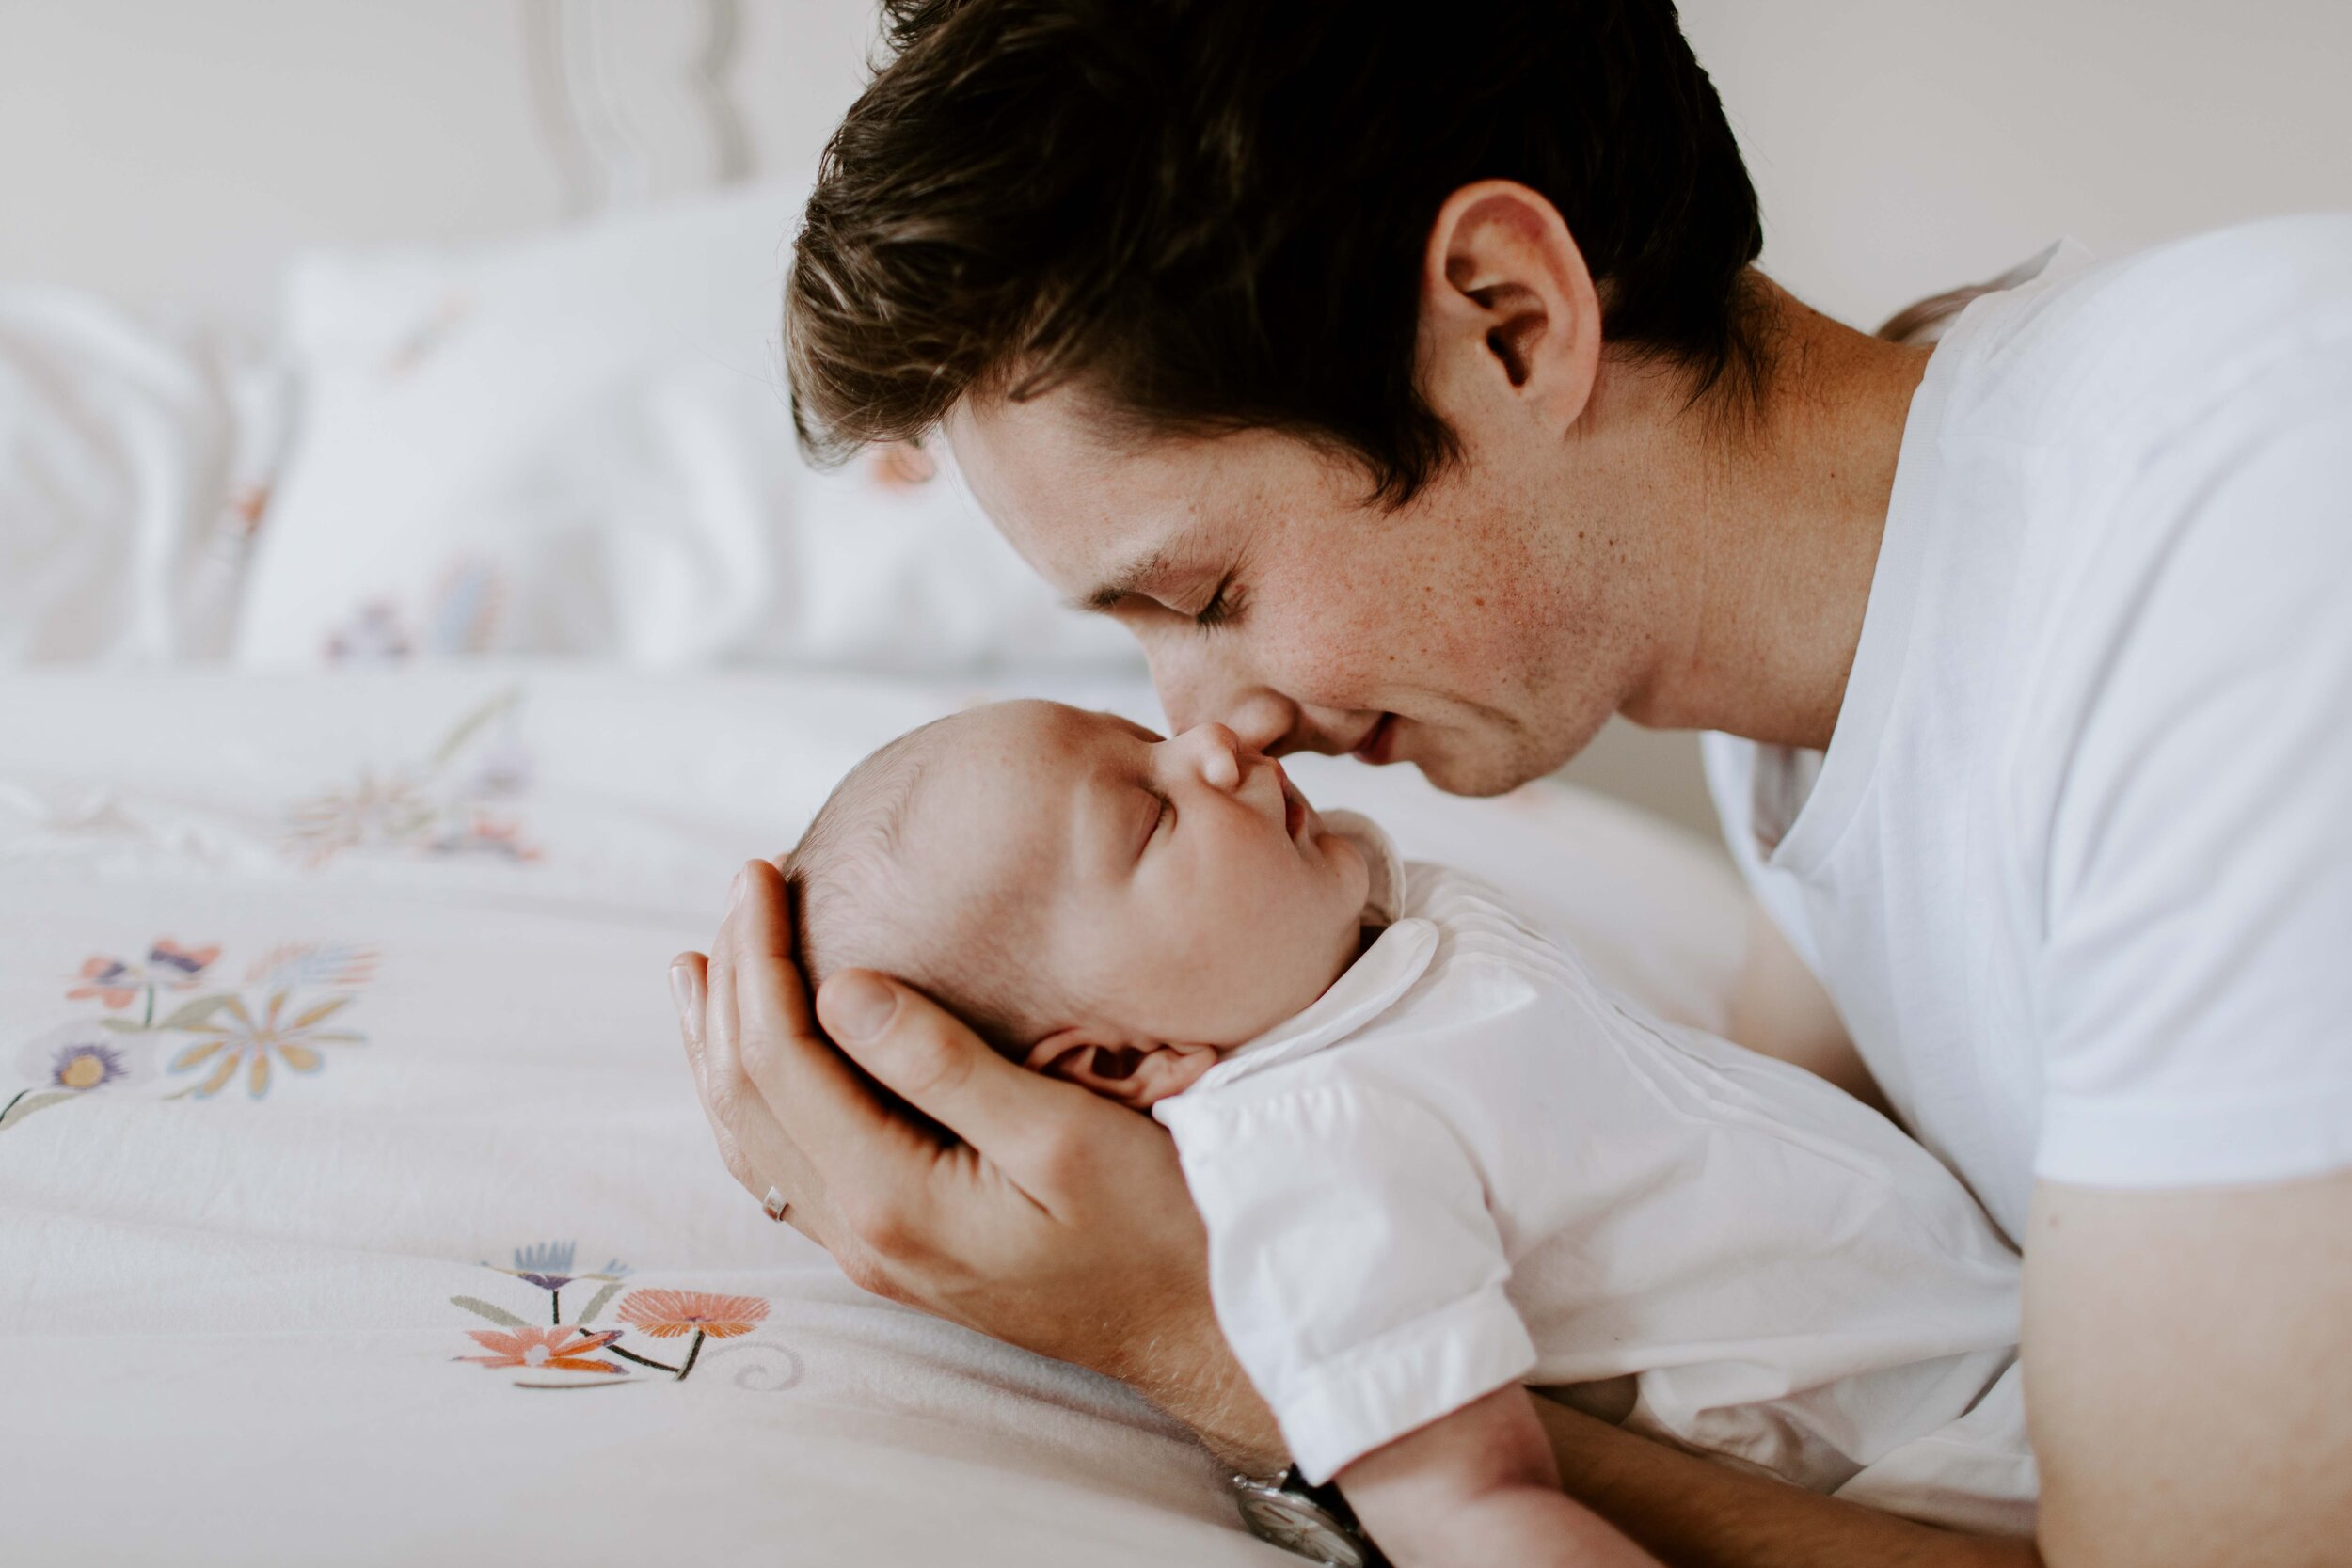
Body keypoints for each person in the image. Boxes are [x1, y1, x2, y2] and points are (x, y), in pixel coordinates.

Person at [669, 3, 2352, 1562]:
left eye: (1202, 597)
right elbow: (1763, 1251)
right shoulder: (1832, 666)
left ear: (1506, 320)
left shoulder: (2243, 555)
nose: (1215, 725)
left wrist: (1230, 1348)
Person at [770, 697, 2032, 1563]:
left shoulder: (1342, 937)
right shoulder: (1308, 1152)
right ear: (1120, 1059)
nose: (1212, 745)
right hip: (1937, 1453)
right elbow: (1466, 1500)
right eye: (1152, 816)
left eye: (1153, 740)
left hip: (1998, 1327)